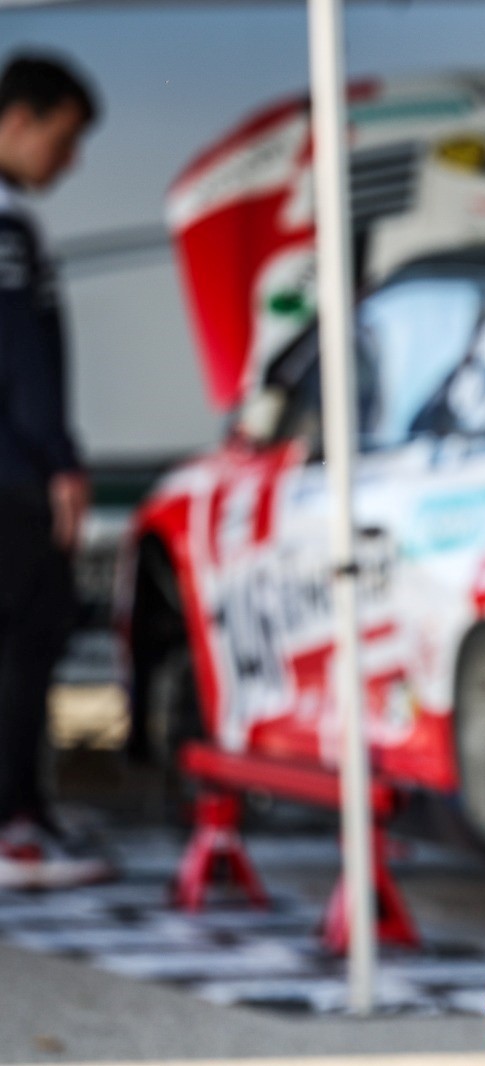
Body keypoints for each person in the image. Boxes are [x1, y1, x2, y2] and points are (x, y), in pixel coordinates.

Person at [0, 53, 108, 890]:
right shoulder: (8, 229)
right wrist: (63, 470)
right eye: (65, 141)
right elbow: (25, 370)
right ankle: (15, 823)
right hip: (14, 484)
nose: (69, 164)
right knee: (22, 647)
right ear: (20, 121)